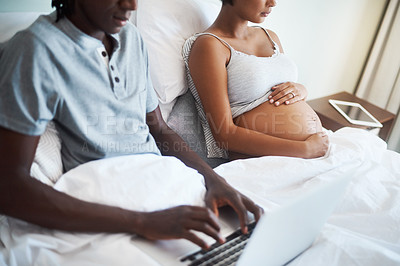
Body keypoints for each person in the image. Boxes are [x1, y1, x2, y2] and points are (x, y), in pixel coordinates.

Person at [0, 0, 263, 250]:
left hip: (162, 179)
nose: (131, 6)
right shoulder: (35, 48)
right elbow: (10, 187)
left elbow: (158, 129)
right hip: (108, 191)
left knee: (247, 238)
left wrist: (215, 181)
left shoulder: (131, 38)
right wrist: (144, 222)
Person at [183, 0, 329, 160]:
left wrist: (301, 90)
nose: (273, 3)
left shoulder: (270, 36)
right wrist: (304, 149)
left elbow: (279, 88)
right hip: (272, 158)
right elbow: (223, 134)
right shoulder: (210, 45)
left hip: (313, 150)